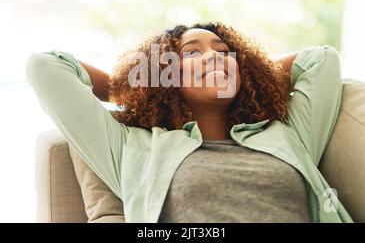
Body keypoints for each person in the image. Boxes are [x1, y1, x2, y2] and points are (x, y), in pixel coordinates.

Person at [25, 21, 353, 223]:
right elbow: (46, 68)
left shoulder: (287, 135)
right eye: (192, 54)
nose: (214, 56)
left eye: (225, 52)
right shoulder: (134, 150)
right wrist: (132, 83)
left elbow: (320, 59)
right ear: (166, 75)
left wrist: (256, 73)